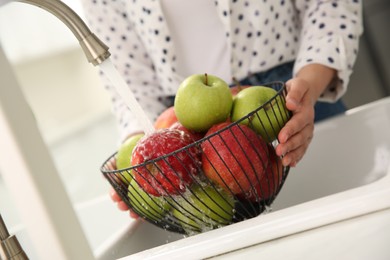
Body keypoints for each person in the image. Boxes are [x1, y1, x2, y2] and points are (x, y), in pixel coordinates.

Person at [81, 0, 363, 216]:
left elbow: (330, 7)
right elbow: (129, 77)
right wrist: (145, 165)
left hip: (287, 101)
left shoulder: (295, 98)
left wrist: (307, 87)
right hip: (185, 139)